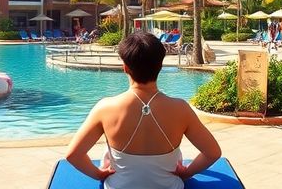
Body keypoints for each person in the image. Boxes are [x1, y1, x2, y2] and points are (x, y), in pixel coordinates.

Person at [66, 32, 221, 188]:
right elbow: (213, 153)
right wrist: (186, 172)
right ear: (160, 66)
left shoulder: (105, 108)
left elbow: (73, 155)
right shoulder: (180, 109)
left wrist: (99, 174)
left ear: (125, 68)